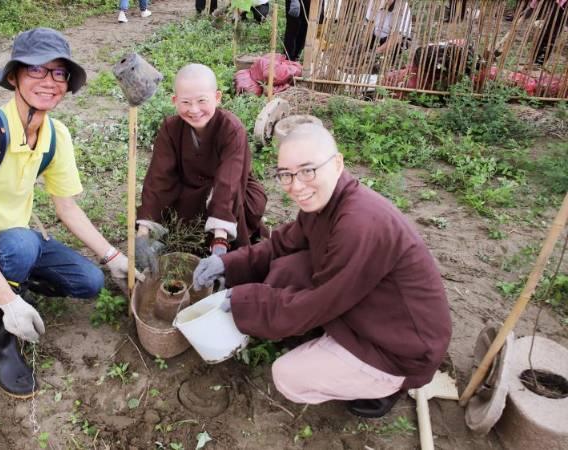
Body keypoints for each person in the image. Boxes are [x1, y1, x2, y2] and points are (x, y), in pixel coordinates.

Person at [0, 28, 142, 399]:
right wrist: (10, 304)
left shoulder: (55, 134)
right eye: (36, 70)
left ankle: (10, 282)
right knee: (21, 243)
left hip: (17, 243)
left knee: (89, 281)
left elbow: (67, 208)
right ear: (13, 76)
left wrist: (113, 257)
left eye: (58, 73)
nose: (49, 82)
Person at [193, 124, 451, 417]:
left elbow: (318, 302)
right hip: (368, 306)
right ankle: (330, 343)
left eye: (308, 170)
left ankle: (387, 386)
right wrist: (226, 263)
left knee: (288, 377)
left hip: (400, 348)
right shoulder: (326, 204)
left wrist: (242, 301)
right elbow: (278, 246)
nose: (297, 186)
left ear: (337, 163)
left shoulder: (359, 224)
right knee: (286, 267)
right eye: (286, 175)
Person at [135, 64, 267, 273]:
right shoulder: (170, 128)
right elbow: (159, 178)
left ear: (217, 97)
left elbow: (229, 182)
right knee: (178, 232)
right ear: (174, 101)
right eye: (186, 102)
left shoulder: (232, 129)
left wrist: (220, 245)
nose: (194, 110)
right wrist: (142, 234)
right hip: (190, 192)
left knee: (229, 250)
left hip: (233, 194)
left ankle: (223, 244)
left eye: (202, 101)